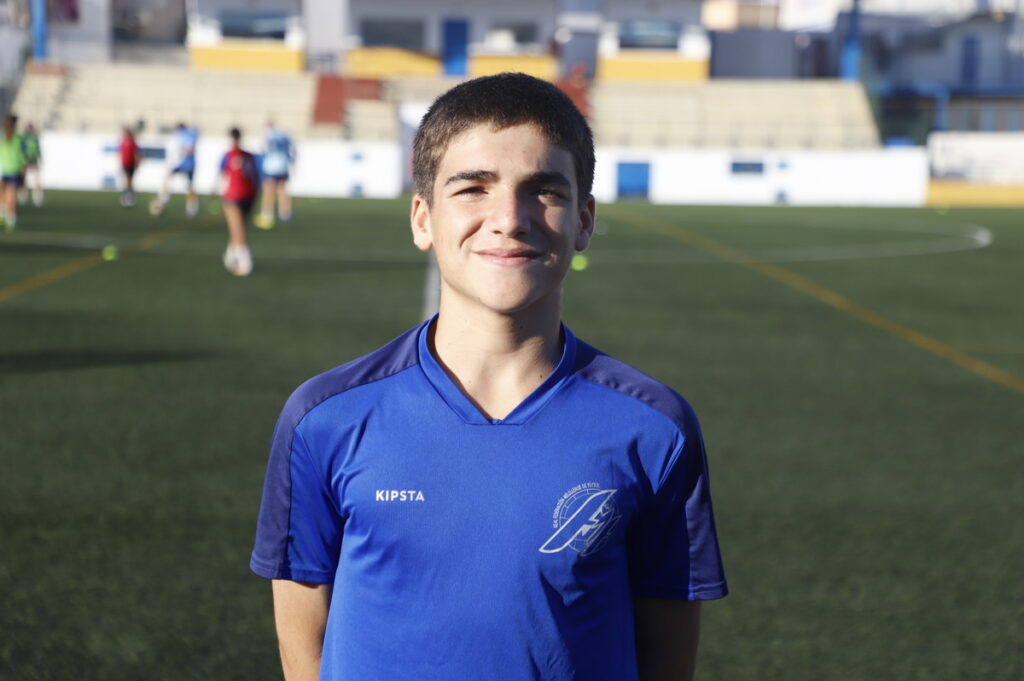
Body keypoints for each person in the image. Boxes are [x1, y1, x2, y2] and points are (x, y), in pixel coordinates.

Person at [251, 73, 727, 681]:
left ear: (584, 221)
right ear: (423, 219)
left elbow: (665, 657)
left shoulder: (655, 429)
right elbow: (304, 649)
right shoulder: (325, 419)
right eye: (473, 188)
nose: (509, 217)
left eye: (543, 191)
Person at [217, 127, 260, 276]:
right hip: (246, 195)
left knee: (238, 228)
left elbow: (222, 175)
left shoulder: (230, 156)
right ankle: (232, 256)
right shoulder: (249, 156)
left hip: (235, 195)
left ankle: (244, 261)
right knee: (239, 228)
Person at [152, 122, 199, 217]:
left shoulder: (185, 135)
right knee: (172, 178)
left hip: (186, 162)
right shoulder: (190, 134)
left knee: (187, 185)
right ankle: (190, 206)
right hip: (186, 163)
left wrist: (182, 151)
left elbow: (190, 149)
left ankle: (191, 205)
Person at [254, 121, 295, 229]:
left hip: (272, 166)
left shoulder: (269, 135)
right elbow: (292, 151)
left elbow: (264, 150)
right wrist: (291, 163)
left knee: (268, 190)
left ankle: (267, 214)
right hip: (283, 165)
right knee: (282, 189)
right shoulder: (285, 134)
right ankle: (285, 213)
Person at [0, 114, 26, 231]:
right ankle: (4, 217)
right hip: (5, 172)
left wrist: (23, 176)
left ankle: (10, 221)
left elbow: (23, 160)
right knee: (2, 198)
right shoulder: (3, 140)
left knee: (11, 197)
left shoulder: (18, 141)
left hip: (14, 173)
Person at [20, 122, 43, 207]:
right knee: (23, 179)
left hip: (34, 161)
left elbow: (38, 150)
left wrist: (40, 159)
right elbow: (22, 150)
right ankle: (23, 196)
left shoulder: (34, 138)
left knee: (37, 179)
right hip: (25, 161)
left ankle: (37, 197)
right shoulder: (24, 138)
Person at [118, 126, 141, 208]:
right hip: (125, 164)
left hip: (131, 164)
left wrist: (137, 163)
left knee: (129, 182)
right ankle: (126, 197)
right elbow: (120, 154)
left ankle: (129, 197)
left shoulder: (132, 143)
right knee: (126, 181)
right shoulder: (122, 142)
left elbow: (136, 154)